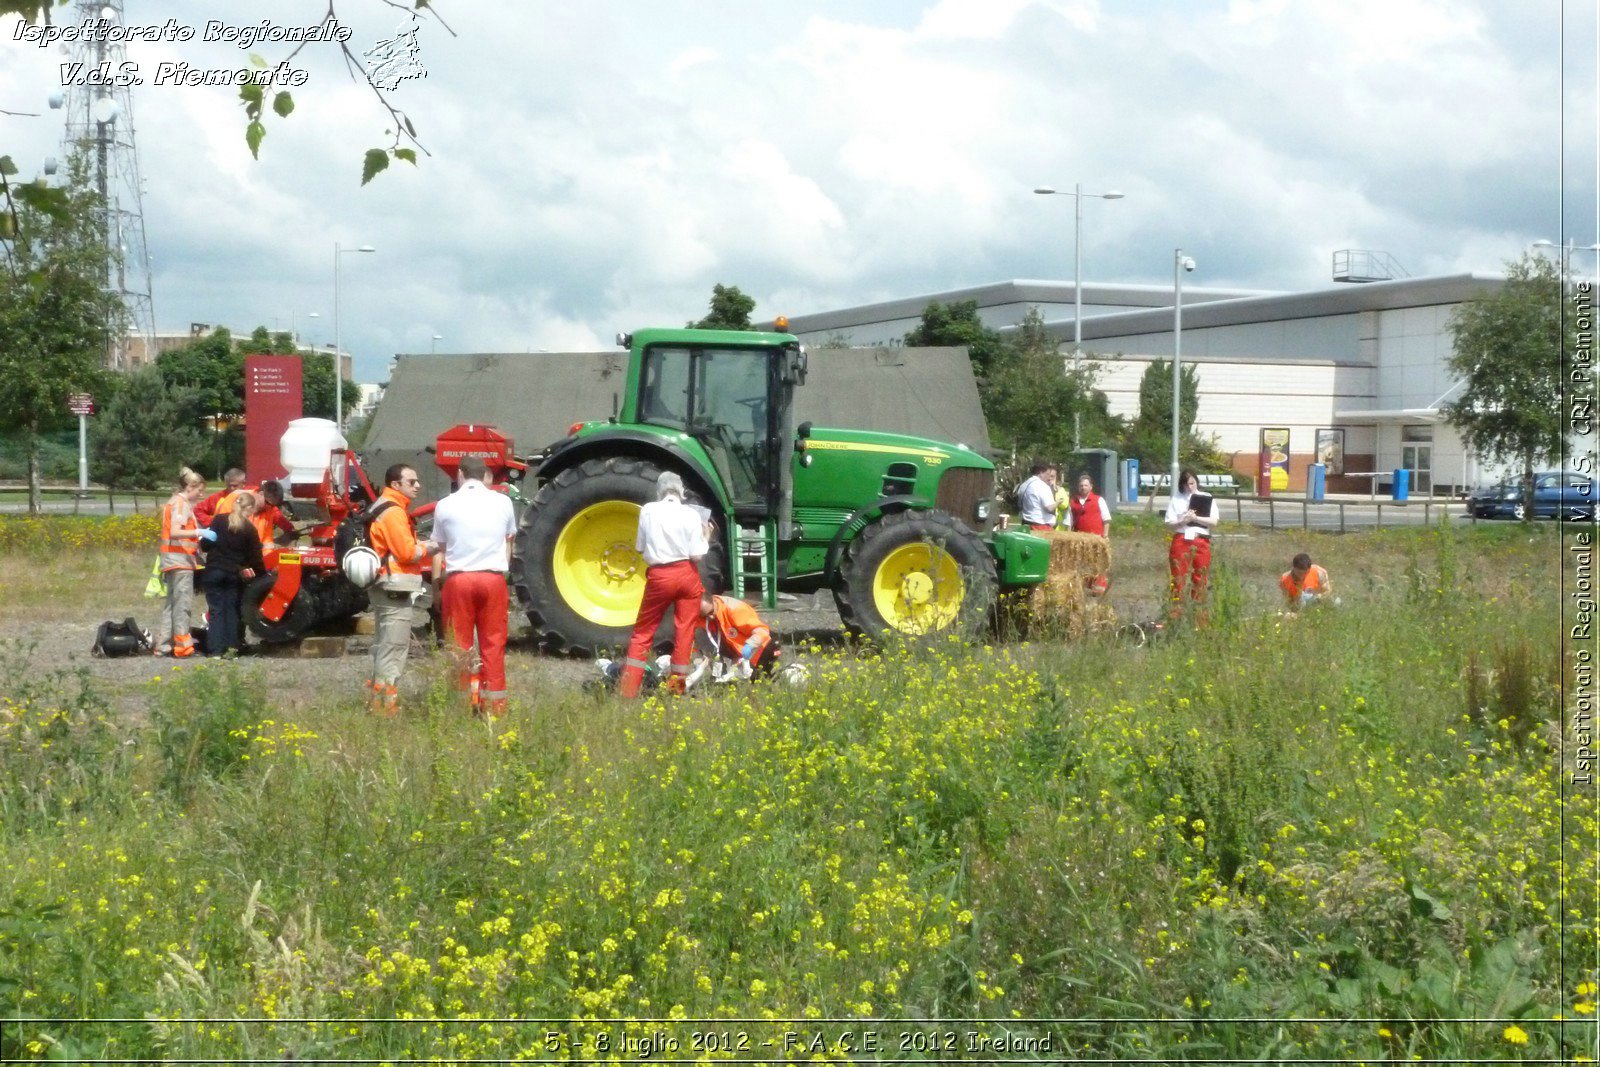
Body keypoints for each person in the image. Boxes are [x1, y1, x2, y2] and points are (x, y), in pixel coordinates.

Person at [431, 455, 518, 718]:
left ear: (459, 474)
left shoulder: (445, 505)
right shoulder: (503, 502)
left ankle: (462, 707)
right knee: (493, 644)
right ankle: (495, 707)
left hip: (459, 580)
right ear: (485, 475)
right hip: (493, 578)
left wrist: (437, 589)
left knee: (460, 646)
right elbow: (508, 542)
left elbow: (440, 548)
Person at [619, 471, 708, 698]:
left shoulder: (648, 510)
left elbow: (640, 547)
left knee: (643, 633)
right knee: (684, 632)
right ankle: (676, 690)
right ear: (681, 492)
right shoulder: (690, 514)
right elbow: (697, 555)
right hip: (687, 574)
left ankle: (628, 691)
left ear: (660, 491)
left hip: (660, 575)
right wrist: (706, 537)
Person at [366, 464, 433, 717]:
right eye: (411, 481)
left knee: (384, 644)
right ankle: (385, 707)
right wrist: (429, 548)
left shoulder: (383, 506)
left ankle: (378, 701)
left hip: (386, 586)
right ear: (396, 484)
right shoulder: (393, 512)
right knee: (393, 647)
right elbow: (406, 553)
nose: (417, 485)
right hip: (394, 587)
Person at [200, 490, 264, 656]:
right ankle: (232, 648)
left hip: (213, 571)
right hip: (234, 574)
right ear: (249, 508)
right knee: (232, 611)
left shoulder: (219, 520)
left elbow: (205, 545)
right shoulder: (250, 530)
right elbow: (256, 559)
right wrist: (263, 576)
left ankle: (215, 651)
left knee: (216, 611)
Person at [155, 467, 206, 657]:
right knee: (182, 605)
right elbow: (176, 532)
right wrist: (199, 532)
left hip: (173, 559)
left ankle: (164, 645)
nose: (201, 495)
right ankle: (182, 647)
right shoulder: (181, 504)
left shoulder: (173, 502)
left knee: (171, 604)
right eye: (199, 490)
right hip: (180, 560)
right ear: (190, 487)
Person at [1163, 469, 1218, 618]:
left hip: (1201, 538)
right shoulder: (1177, 499)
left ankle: (1199, 612)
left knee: (1200, 576)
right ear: (1182, 485)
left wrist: (1196, 518)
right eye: (1187, 484)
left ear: (1197, 482)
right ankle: (1176, 612)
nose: (1190, 487)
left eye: (1192, 483)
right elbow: (1169, 522)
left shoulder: (1206, 497)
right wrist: (1184, 520)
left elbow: (1214, 521)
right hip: (1182, 539)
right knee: (1178, 576)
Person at [698, 592, 781, 681]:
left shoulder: (735, 610)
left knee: (757, 680)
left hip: (761, 647)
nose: (710, 617)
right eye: (705, 615)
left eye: (711, 612)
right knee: (725, 681)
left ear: (714, 601)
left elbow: (762, 631)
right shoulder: (705, 616)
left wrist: (749, 645)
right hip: (738, 652)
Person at [1066, 472, 1113, 597]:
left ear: (1091, 487)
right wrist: (1069, 536)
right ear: (1078, 487)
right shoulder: (1073, 502)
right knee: (1082, 562)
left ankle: (1098, 587)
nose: (1083, 488)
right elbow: (1068, 522)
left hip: (1096, 538)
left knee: (1097, 562)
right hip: (1079, 539)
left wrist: (1105, 535)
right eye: (1081, 485)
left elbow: (1106, 519)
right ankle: (1085, 585)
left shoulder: (1099, 500)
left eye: (1086, 485)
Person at [250, 480, 299, 568]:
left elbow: (280, 520)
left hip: (259, 558)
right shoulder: (243, 505)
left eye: (273, 505)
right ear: (261, 493)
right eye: (268, 503)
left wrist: (291, 530)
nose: (269, 507)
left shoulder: (270, 509)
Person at [1015, 462, 1058, 532]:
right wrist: (1058, 502)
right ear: (1041, 472)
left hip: (1026, 524)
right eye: (1047, 474)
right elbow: (1049, 508)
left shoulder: (1023, 485)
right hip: (1040, 527)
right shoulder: (1042, 486)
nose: (1049, 478)